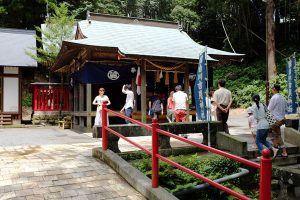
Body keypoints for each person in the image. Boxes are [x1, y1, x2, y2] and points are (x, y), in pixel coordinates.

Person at [251, 94, 278, 159]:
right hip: (267, 124)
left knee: (258, 141)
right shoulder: (263, 104)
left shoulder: (253, 106)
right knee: (263, 140)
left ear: (253, 99)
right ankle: (273, 149)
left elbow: (255, 117)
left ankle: (264, 154)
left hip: (261, 125)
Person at [268, 84, 288, 158]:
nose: (271, 89)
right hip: (281, 119)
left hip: (275, 119)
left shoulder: (274, 98)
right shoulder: (283, 97)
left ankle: (280, 149)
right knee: (275, 134)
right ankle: (277, 148)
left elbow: (269, 109)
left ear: (274, 89)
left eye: (272, 88)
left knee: (271, 133)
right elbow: (286, 109)